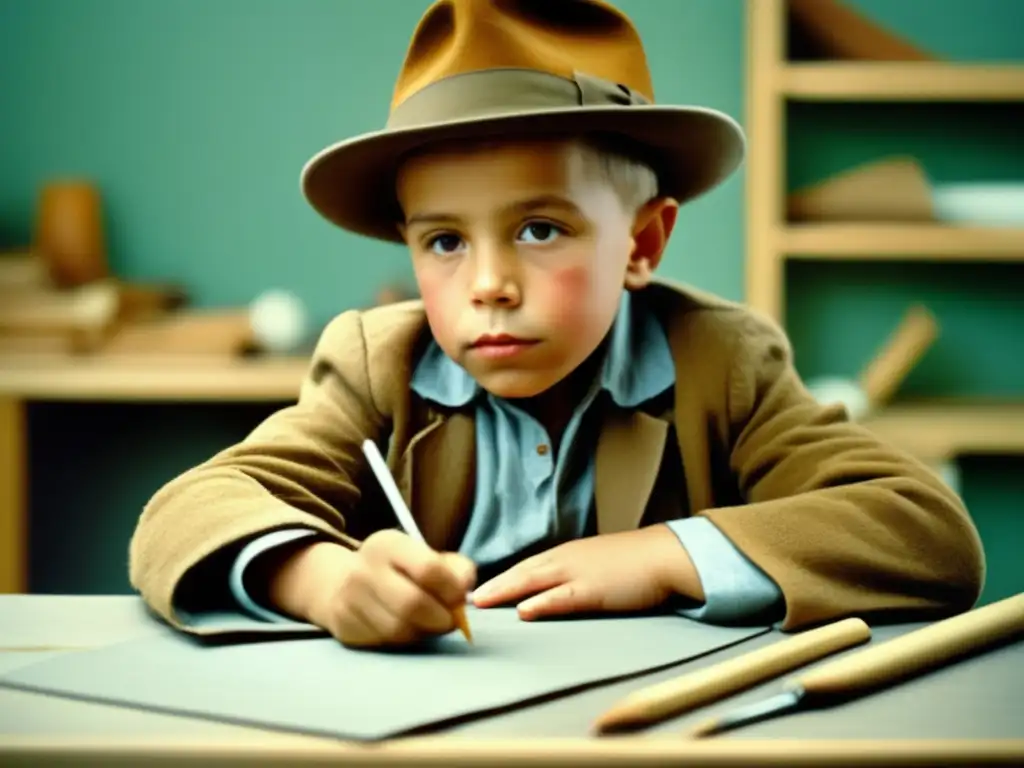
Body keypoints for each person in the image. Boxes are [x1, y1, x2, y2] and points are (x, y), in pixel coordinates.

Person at [129, 0, 984, 648]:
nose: (491, 285)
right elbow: (184, 513)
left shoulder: (722, 362)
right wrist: (322, 580)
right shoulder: (375, 365)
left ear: (641, 242)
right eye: (445, 241)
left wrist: (661, 556)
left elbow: (927, 530)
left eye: (540, 229)